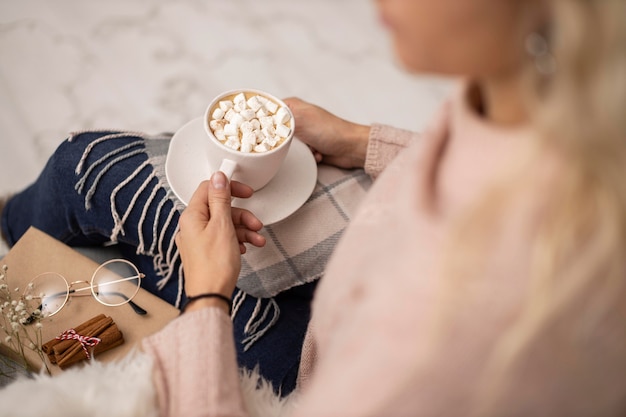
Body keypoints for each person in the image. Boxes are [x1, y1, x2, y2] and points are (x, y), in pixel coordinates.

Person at [3, 0, 626, 415]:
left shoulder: (435, 345)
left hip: (309, 361)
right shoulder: (534, 102)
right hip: (351, 246)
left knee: (78, 185)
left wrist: (209, 297)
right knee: (77, 168)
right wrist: (360, 140)